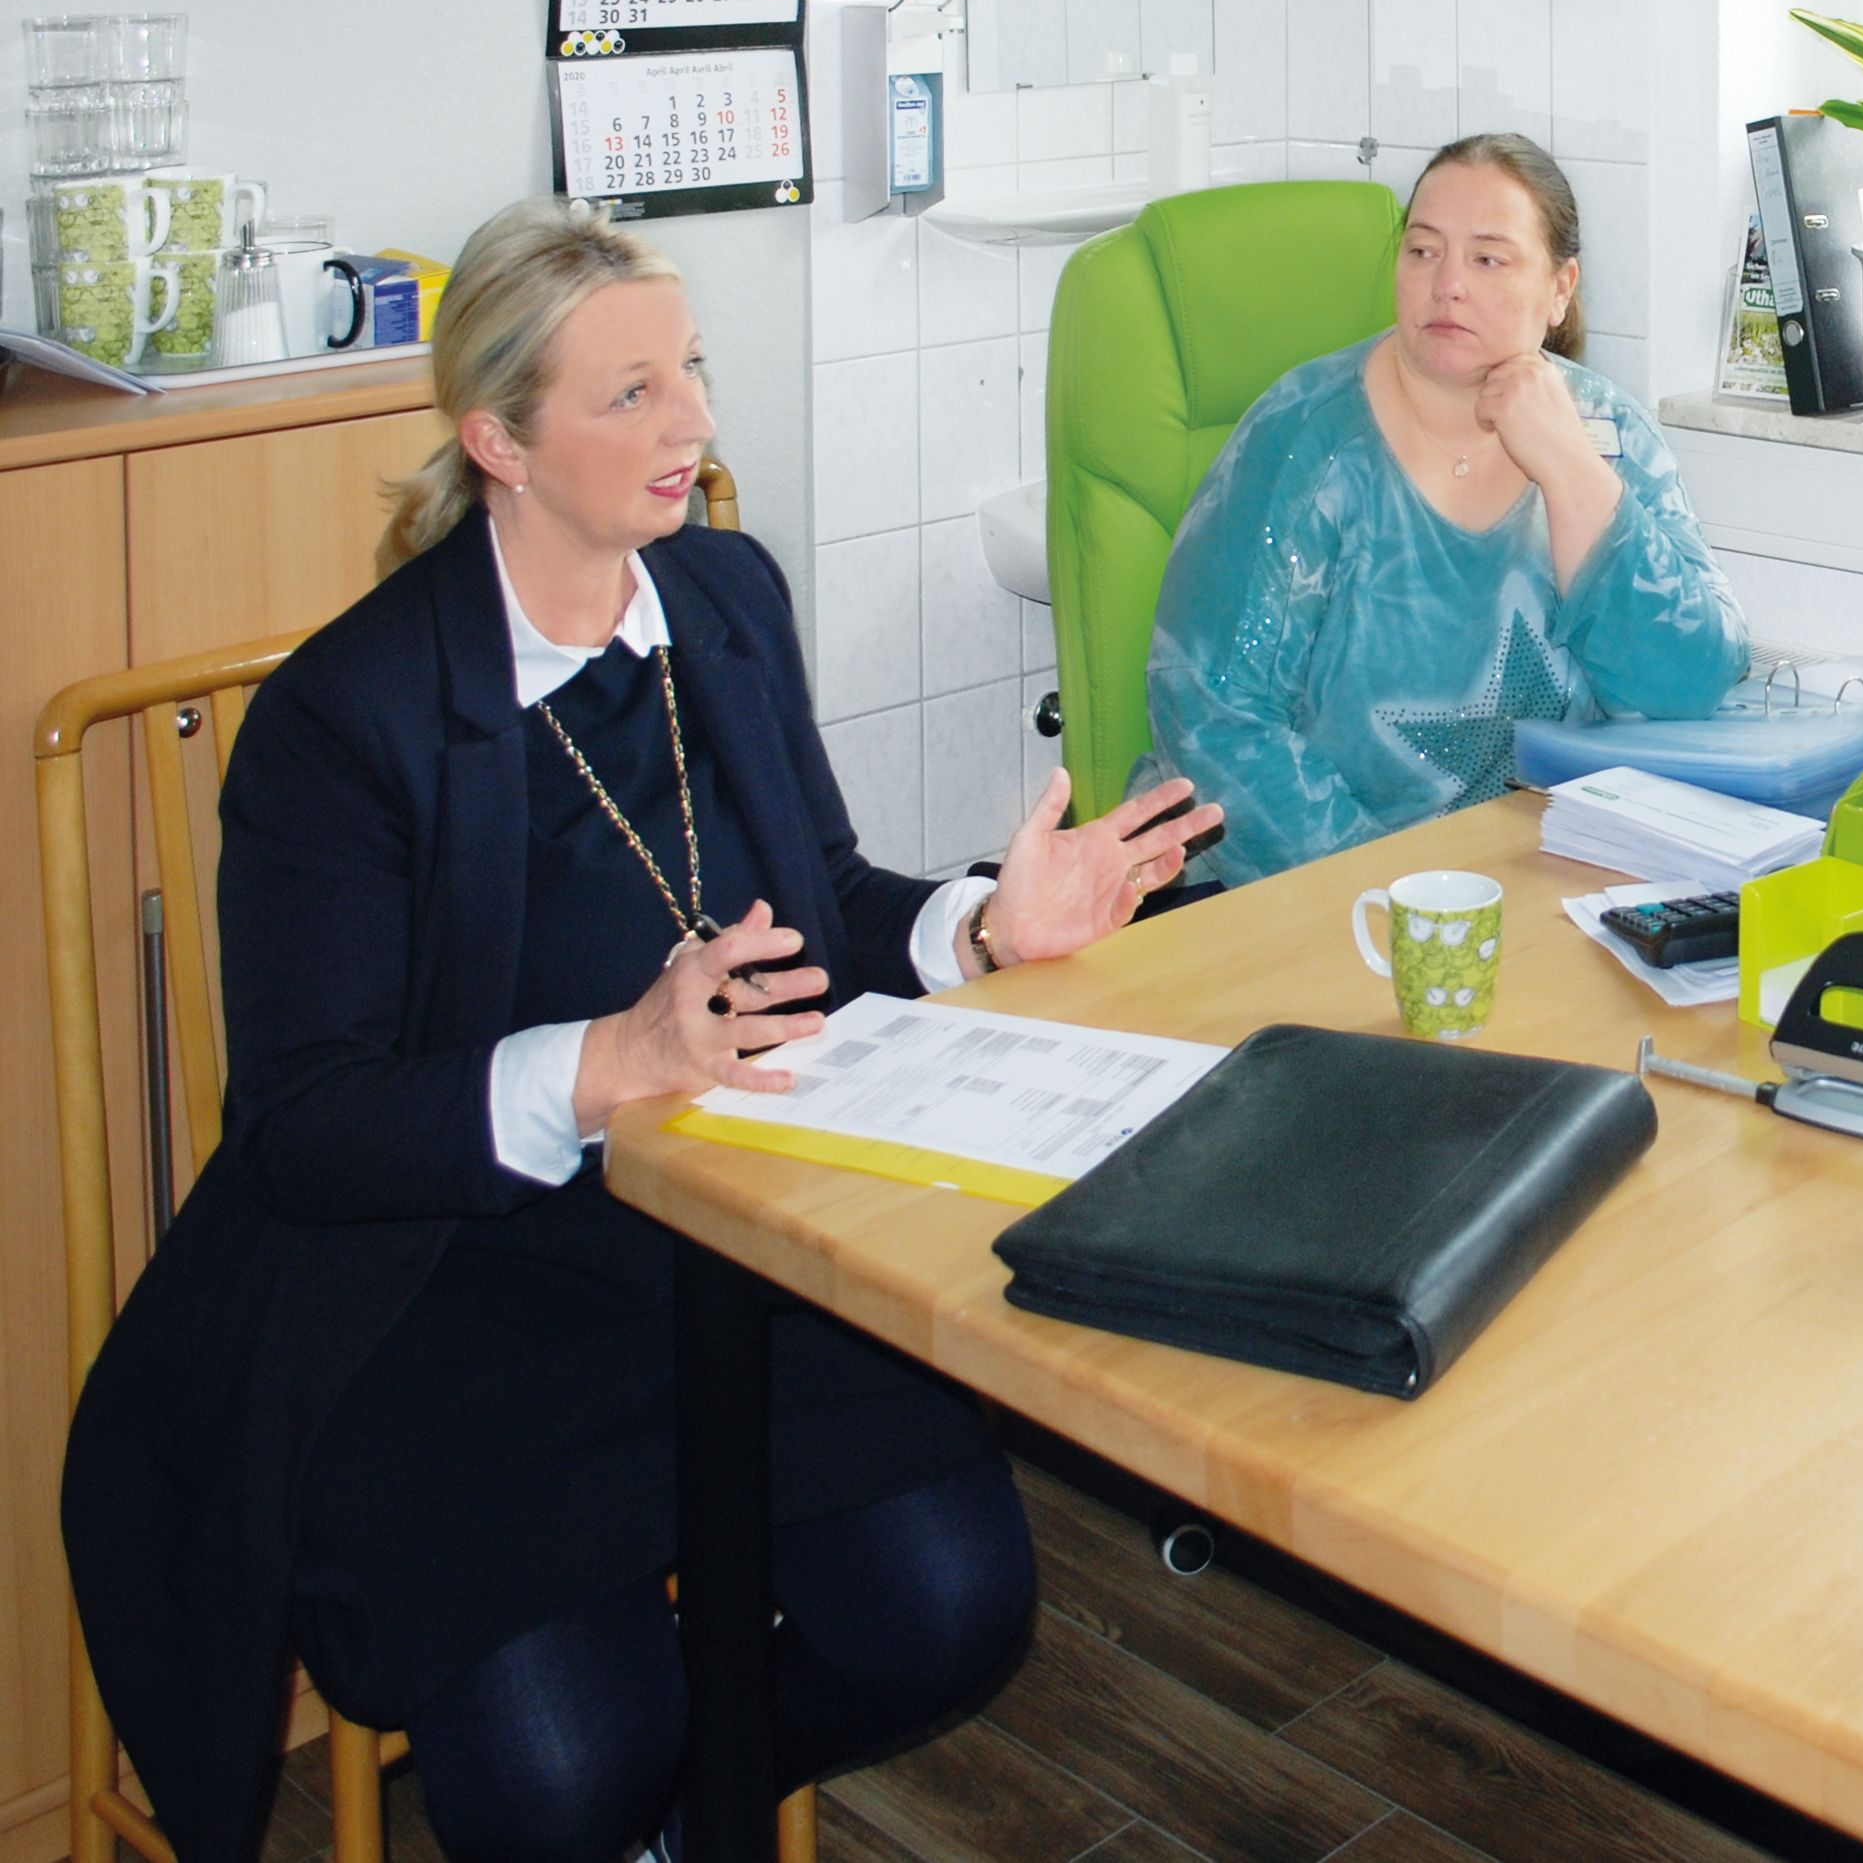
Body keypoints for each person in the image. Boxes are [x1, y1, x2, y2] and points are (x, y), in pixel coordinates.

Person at [64, 200, 1220, 1863]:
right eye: (629, 395)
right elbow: (308, 1131)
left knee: (950, 1610)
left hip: (721, 1241)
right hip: (447, 1292)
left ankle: (679, 1802)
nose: (692, 424)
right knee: (557, 1768)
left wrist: (976, 926)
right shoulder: (351, 718)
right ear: (498, 443)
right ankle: (648, 1782)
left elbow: (818, 892)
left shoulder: (725, 601)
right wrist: (612, 1061)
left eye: (690, 371)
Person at [1144, 132, 1749, 881]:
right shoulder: (1305, 438)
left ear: (1560, 288)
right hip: (1303, 899)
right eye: (1423, 251)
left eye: (1488, 258)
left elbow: (1689, 683)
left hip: (1543, 889)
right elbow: (1212, 719)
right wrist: (1403, 905)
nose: (1447, 284)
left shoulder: (1609, 433)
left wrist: (1568, 469)